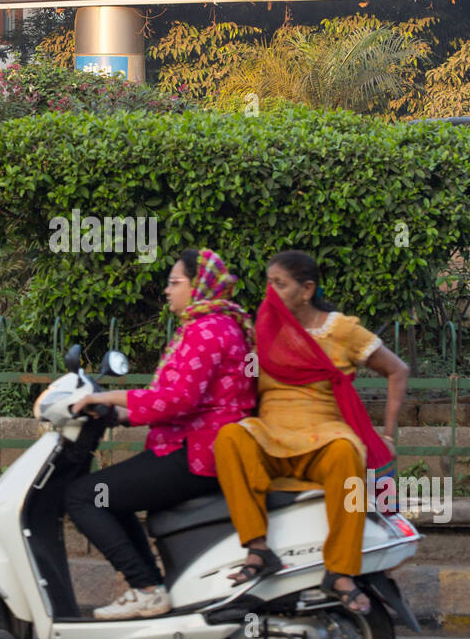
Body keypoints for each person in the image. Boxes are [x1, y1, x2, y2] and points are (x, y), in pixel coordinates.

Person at [214, 250, 409, 615]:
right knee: (229, 438)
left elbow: (397, 370)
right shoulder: (264, 327)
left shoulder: (340, 330)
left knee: (346, 453)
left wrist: (388, 435)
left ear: (307, 290)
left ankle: (340, 571)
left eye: (280, 284)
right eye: (269, 282)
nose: (271, 291)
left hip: (324, 435)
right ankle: (257, 549)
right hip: (270, 434)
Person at [66, 247, 256, 620]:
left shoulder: (208, 330)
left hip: (198, 453)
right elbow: (180, 400)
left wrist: (102, 397)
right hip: (197, 445)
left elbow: (175, 399)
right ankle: (149, 586)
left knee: (83, 496)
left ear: (198, 285)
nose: (168, 291)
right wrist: (119, 413)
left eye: (175, 283)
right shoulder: (217, 324)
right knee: (106, 494)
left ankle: (147, 588)